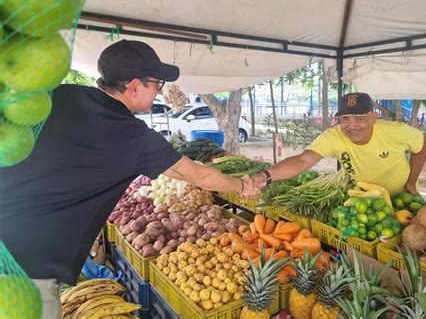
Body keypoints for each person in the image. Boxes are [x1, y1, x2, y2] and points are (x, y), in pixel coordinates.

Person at [0, 40, 258, 318]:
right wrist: (242, 185)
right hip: (26, 269)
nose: (159, 92)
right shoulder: (133, 136)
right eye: (157, 84)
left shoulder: (60, 94)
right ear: (135, 86)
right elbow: (201, 176)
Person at [252, 92, 426, 197]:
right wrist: (266, 175)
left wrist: (412, 181)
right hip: (364, 197)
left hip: (402, 195)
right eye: (345, 119)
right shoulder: (334, 135)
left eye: (360, 119)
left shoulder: (394, 131)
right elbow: (302, 161)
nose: (352, 126)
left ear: (373, 118)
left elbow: (422, 143)